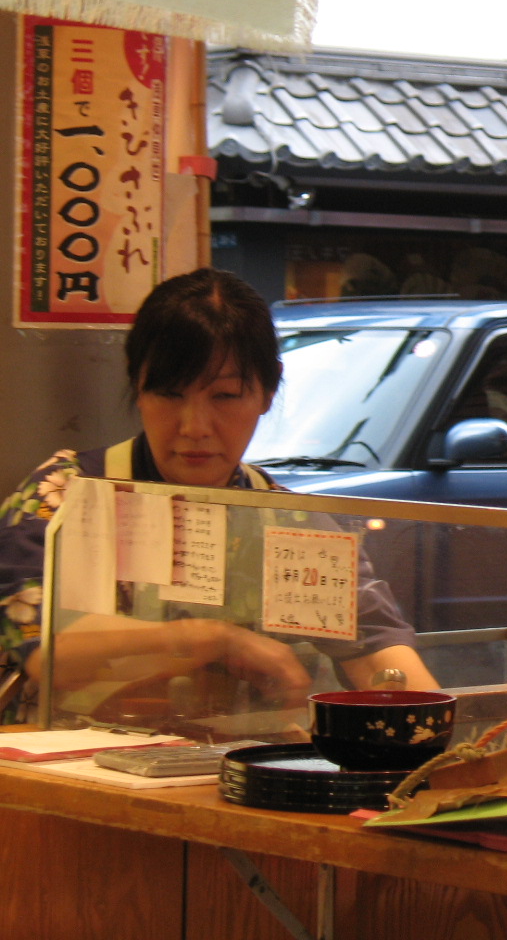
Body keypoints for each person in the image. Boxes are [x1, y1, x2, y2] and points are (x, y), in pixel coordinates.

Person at [0, 268, 437, 723]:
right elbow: (47, 650)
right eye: (168, 394)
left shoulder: (285, 519)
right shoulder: (64, 494)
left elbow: (375, 646)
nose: (194, 427)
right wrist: (211, 639)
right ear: (137, 384)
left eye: (225, 396)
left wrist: (434, 728)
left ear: (267, 392)